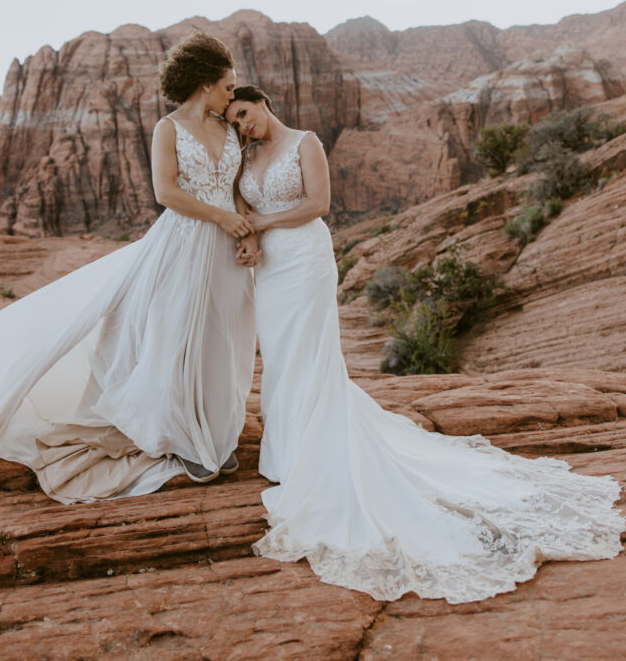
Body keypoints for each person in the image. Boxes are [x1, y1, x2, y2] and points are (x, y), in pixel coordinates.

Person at [225, 85, 625, 604]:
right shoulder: (247, 155)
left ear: (263, 103)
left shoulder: (306, 142)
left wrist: (264, 222)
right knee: (279, 355)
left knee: (311, 352)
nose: (242, 126)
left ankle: (309, 454)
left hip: (304, 259)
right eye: (234, 122)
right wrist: (249, 234)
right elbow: (239, 196)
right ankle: (286, 454)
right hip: (271, 269)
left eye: (244, 114)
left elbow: (318, 204)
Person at [0, 32, 257, 535]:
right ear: (204, 84)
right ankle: (183, 438)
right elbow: (166, 192)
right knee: (175, 339)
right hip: (183, 245)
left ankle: (215, 436)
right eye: (226, 86)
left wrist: (245, 231)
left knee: (223, 342)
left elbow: (239, 187)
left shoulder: (229, 128)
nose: (231, 94)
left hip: (227, 252)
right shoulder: (168, 129)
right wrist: (223, 219)